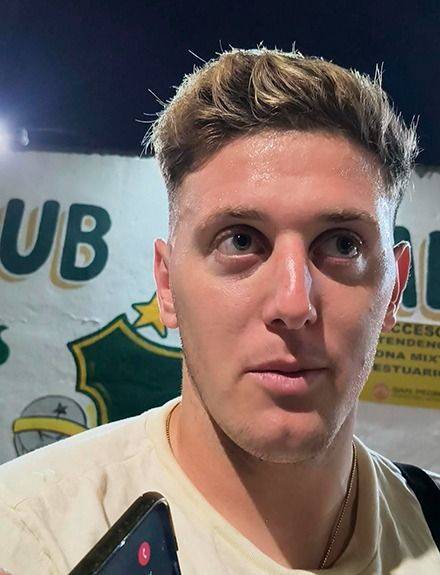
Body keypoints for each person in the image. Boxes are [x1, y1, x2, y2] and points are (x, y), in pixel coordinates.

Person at [0, 47, 438, 574]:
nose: (293, 304)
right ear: (166, 285)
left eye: (343, 245)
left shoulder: (430, 526)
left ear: (394, 290)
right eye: (240, 240)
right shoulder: (27, 537)